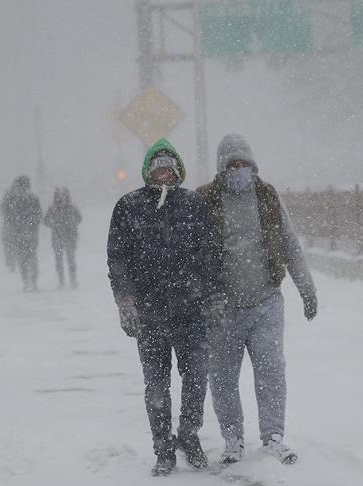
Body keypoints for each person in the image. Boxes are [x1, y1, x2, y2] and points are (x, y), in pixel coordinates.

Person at [197, 133, 318, 465]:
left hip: (265, 303)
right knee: (222, 377)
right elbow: (189, 254)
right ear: (222, 168)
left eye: (243, 164)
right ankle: (233, 439)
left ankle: (273, 437)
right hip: (223, 309)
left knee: (271, 372)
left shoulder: (266, 196)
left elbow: (290, 244)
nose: (238, 170)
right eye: (232, 165)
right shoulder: (205, 200)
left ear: (252, 166)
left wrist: (306, 288)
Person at [107, 138, 223, 477]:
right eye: (158, 167)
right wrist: (125, 300)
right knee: (156, 385)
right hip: (150, 313)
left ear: (178, 171)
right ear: (147, 171)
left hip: (191, 310)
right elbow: (118, 258)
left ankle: (189, 434)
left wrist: (213, 296)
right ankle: (163, 447)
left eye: (170, 168)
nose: (164, 174)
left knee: (197, 377)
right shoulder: (128, 206)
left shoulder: (193, 204)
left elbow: (210, 254)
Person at [5, 175, 42, 291]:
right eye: (20, 187)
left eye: (24, 187)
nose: (22, 190)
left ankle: (33, 280)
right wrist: (15, 224)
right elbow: (7, 215)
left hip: (30, 233)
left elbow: (39, 214)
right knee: (23, 258)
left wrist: (32, 223)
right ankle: (26, 281)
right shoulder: (13, 200)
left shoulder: (32, 199)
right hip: (19, 233)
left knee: (30, 257)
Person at [44, 187, 82, 288]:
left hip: (70, 237)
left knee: (71, 259)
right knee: (59, 260)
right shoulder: (52, 208)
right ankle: (61, 280)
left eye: (63, 195)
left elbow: (79, 218)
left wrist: (71, 224)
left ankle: (73, 280)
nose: (61, 198)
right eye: (59, 196)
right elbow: (46, 221)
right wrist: (53, 224)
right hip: (57, 237)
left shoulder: (72, 208)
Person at [0, 183, 17, 271]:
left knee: (9, 245)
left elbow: (2, 211)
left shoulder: (8, 201)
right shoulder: (15, 200)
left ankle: (11, 261)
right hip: (12, 226)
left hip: (10, 226)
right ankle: (11, 261)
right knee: (10, 244)